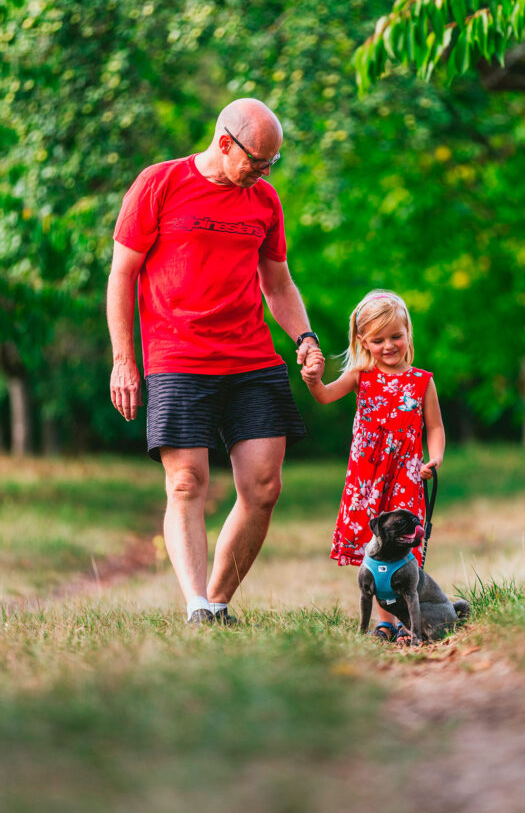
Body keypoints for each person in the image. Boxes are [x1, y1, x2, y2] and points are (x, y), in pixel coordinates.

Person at [107, 98, 321, 625]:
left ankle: (216, 603)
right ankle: (196, 603)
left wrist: (305, 338)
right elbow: (122, 275)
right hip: (178, 357)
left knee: (264, 487)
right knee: (186, 483)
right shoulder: (160, 183)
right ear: (225, 142)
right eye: (256, 161)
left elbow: (277, 282)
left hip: (250, 356)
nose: (263, 173)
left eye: (272, 164)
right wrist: (123, 359)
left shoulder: (264, 202)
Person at [301, 290, 444, 641]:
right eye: (378, 339)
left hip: (406, 478)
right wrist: (313, 380)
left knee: (402, 546)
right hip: (368, 480)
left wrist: (434, 458)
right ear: (364, 341)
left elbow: (435, 427)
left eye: (396, 336)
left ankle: (406, 622)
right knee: (375, 548)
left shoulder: (422, 381)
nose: (389, 345)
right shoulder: (360, 377)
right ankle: (386, 622)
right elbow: (323, 395)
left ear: (408, 332)